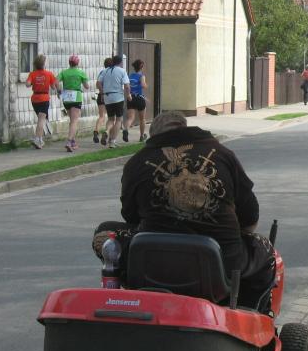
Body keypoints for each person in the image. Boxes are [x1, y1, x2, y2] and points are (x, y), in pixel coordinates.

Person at [91, 111, 276, 311]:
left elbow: (130, 216)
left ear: (154, 136)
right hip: (223, 263)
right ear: (184, 127)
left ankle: (128, 296)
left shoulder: (136, 162)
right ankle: (251, 313)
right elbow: (250, 217)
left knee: (105, 234)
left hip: (153, 263)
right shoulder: (223, 154)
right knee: (264, 249)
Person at [25, 54, 59, 149]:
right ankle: (37, 139)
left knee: (41, 119)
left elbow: (27, 84)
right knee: (41, 120)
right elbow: (53, 87)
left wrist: (33, 82)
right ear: (44, 64)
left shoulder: (32, 74)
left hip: (35, 99)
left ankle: (40, 140)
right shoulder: (49, 74)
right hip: (44, 98)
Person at [96, 54, 130, 148]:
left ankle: (107, 131)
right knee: (119, 119)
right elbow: (127, 86)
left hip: (107, 97)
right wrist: (128, 95)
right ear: (120, 62)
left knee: (111, 119)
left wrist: (102, 93)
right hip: (118, 97)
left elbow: (98, 83)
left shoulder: (105, 71)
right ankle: (112, 141)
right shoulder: (122, 71)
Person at [57, 54, 90, 152]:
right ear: (77, 63)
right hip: (76, 97)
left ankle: (73, 142)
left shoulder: (64, 72)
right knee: (74, 121)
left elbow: (55, 82)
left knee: (72, 121)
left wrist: (59, 91)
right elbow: (87, 86)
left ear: (69, 63)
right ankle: (69, 141)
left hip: (66, 97)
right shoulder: (81, 73)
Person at [126, 59, 148, 142]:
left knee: (130, 118)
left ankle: (125, 129)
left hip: (131, 98)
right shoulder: (141, 76)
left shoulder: (130, 76)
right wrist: (146, 85)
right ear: (141, 67)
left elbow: (127, 86)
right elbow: (143, 85)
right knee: (142, 119)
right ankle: (142, 136)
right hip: (139, 98)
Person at [93, 57, 112, 144]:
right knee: (111, 118)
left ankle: (96, 130)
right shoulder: (112, 73)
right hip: (110, 96)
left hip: (101, 95)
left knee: (101, 116)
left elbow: (97, 84)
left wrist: (102, 92)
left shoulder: (102, 72)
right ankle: (106, 132)